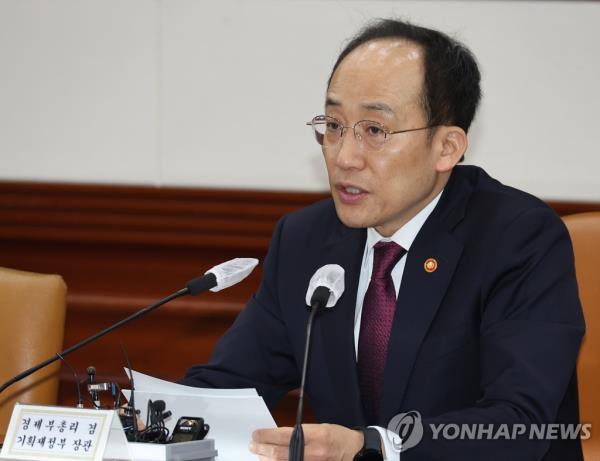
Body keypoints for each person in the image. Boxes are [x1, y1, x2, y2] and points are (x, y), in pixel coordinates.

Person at [181, 19, 585, 461]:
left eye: (375, 131)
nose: (344, 156)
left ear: (447, 148)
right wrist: (144, 418)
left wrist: (374, 446)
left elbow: (519, 425)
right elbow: (228, 386)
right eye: (333, 125)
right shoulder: (304, 240)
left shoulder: (520, 238)